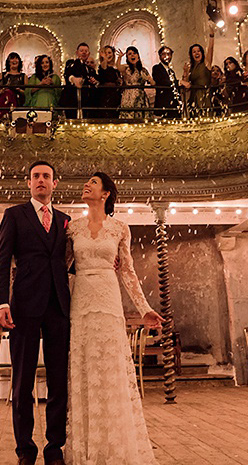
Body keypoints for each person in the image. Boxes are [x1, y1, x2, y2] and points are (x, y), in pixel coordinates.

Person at [67, 172, 163, 464]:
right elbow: (63, 267)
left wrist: (144, 308)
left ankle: (116, 446)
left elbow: (128, 271)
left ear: (106, 193)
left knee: (111, 372)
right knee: (84, 371)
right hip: (81, 299)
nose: (86, 186)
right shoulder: (71, 228)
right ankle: (86, 448)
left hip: (109, 302)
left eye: (93, 183)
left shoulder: (121, 228)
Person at [0, 162, 72, 465]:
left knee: (58, 381)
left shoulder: (65, 220)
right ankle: (25, 450)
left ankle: (55, 448)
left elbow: (70, 262)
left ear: (55, 184)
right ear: (28, 184)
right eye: (36, 176)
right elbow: (2, 261)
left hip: (58, 307)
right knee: (22, 381)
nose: (41, 180)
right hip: (23, 306)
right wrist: (2, 302)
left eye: (46, 177)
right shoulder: (14, 215)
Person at [181, 24, 216, 117]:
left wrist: (211, 36)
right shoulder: (191, 67)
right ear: (191, 55)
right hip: (194, 96)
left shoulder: (206, 63)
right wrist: (185, 72)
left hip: (205, 95)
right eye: (194, 51)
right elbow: (186, 83)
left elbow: (211, 49)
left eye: (198, 51)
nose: (196, 53)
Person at [62, 43, 98, 119]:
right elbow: (68, 74)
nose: (84, 53)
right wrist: (74, 79)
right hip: (72, 101)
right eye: (81, 51)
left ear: (89, 54)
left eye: (86, 51)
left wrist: (94, 81)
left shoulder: (90, 70)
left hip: (86, 102)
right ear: (77, 52)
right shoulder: (71, 64)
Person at [120, 46, 154, 120]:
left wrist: (149, 79)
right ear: (127, 58)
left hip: (140, 97)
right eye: (129, 54)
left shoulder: (143, 70)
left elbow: (153, 83)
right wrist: (119, 57)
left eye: (134, 53)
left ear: (138, 55)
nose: (132, 55)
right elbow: (118, 67)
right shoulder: (126, 68)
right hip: (128, 97)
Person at [0, 52, 26, 120]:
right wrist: (0, 91)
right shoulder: (2, 75)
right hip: (3, 103)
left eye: (16, 58)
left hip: (18, 104)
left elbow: (27, 93)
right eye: (12, 59)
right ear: (8, 62)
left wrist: (19, 90)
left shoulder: (23, 76)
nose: (14, 60)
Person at [151, 45, 181, 119]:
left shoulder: (171, 71)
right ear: (160, 56)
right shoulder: (156, 68)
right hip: (163, 104)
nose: (166, 56)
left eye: (169, 54)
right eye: (164, 54)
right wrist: (179, 82)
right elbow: (162, 81)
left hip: (173, 105)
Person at [96, 45, 122, 119]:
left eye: (109, 53)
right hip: (105, 94)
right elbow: (104, 67)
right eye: (106, 53)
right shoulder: (102, 66)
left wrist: (119, 57)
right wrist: (105, 59)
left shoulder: (115, 70)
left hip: (115, 95)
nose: (108, 55)